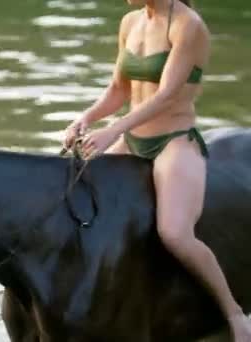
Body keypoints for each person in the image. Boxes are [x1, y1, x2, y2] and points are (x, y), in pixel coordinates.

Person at [62, 0, 251, 340]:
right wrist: (86, 119)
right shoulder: (130, 22)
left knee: (175, 233)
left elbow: (165, 95)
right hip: (133, 138)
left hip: (173, 142)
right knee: (71, 193)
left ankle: (234, 314)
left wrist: (112, 131)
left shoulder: (187, 24)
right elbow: (118, 90)